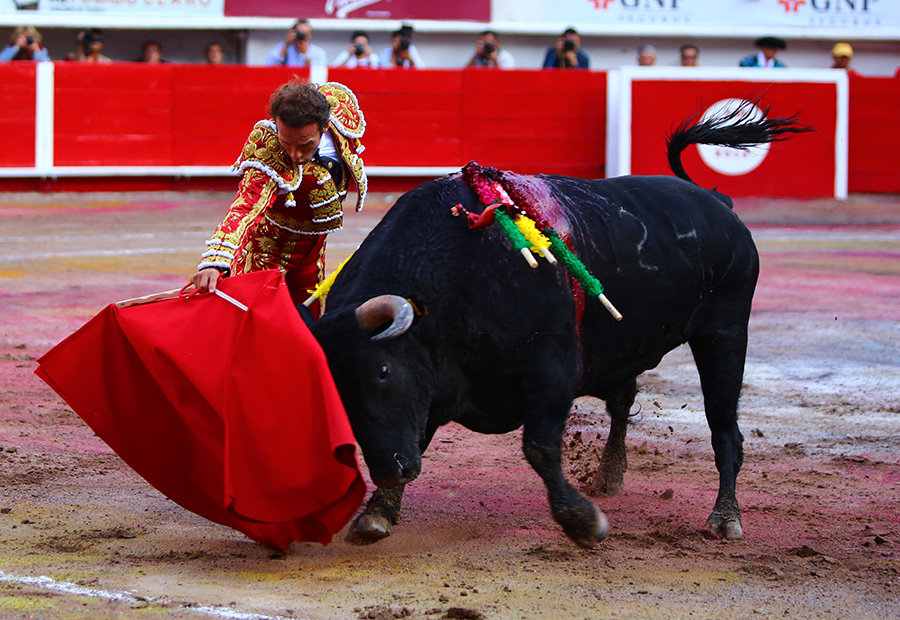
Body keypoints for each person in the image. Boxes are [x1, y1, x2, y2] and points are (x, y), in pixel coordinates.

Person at [190, 80, 369, 315]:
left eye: (305, 144)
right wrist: (216, 261)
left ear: (325, 126)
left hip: (313, 258)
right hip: (267, 257)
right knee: (254, 326)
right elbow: (245, 207)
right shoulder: (269, 150)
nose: (295, 154)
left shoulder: (339, 118)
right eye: (287, 143)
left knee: (309, 325)